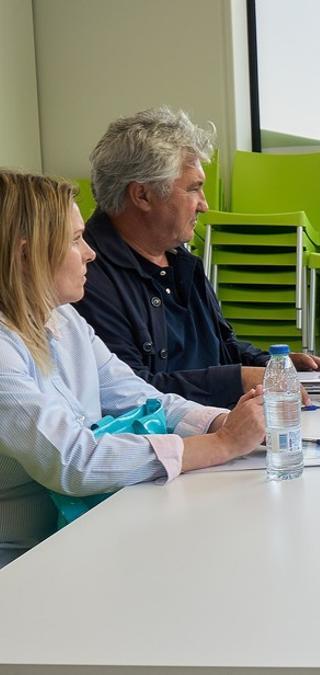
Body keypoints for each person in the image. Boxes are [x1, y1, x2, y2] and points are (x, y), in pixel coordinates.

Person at [0, 171, 267, 568]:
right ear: (25, 256)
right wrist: (222, 445)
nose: (90, 253)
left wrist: (224, 422)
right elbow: (75, 462)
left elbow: (142, 399)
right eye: (75, 240)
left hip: (79, 537)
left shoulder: (63, 318)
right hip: (23, 565)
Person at [73, 106, 320, 409]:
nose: (204, 205)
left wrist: (272, 364)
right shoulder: (85, 275)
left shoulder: (180, 259)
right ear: (142, 195)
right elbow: (131, 393)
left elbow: (222, 347)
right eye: (194, 189)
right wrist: (238, 379)